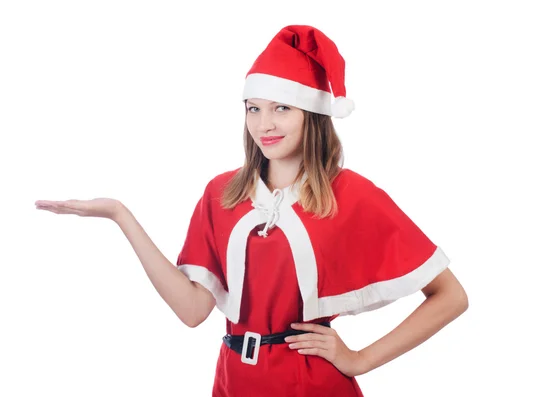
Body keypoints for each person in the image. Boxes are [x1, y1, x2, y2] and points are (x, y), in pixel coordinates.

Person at [35, 25, 468, 396]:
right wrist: (119, 215)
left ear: (312, 115)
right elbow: (192, 311)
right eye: (253, 109)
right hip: (232, 380)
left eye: (282, 108)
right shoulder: (220, 194)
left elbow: (450, 296)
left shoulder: (351, 194)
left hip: (310, 384)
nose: (264, 124)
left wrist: (360, 359)